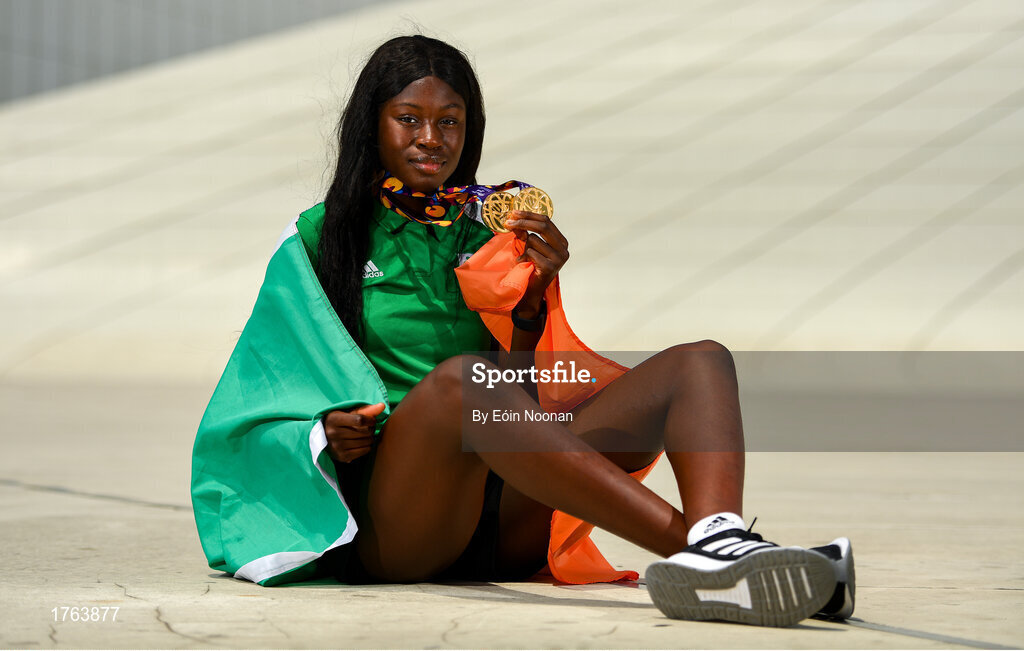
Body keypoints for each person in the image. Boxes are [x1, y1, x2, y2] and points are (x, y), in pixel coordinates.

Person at [191, 34, 854, 628]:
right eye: (411, 119)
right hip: (404, 521)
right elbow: (252, 402)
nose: (432, 138)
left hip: (506, 513)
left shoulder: (491, 233)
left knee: (699, 362)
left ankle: (721, 537)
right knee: (459, 386)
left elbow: (527, 394)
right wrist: (319, 428)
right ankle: (710, 555)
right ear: (373, 124)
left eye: (450, 122)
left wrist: (533, 305)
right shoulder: (319, 236)